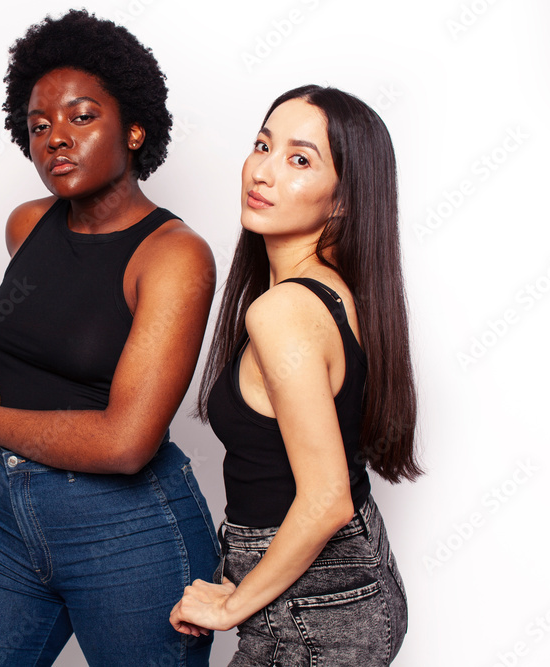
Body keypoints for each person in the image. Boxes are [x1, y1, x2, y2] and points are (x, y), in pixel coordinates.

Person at [0, 10, 219, 666]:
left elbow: (126, 441)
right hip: (7, 512)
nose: (56, 138)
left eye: (81, 117)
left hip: (129, 530)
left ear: (135, 128)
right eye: (38, 126)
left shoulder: (174, 256)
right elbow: (36, 341)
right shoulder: (26, 223)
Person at [169, 85, 417, 665]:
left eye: (300, 159)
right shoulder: (334, 293)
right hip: (341, 579)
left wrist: (232, 607)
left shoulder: (282, 311)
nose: (264, 171)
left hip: (319, 603)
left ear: (342, 202)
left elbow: (327, 497)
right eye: (262, 145)